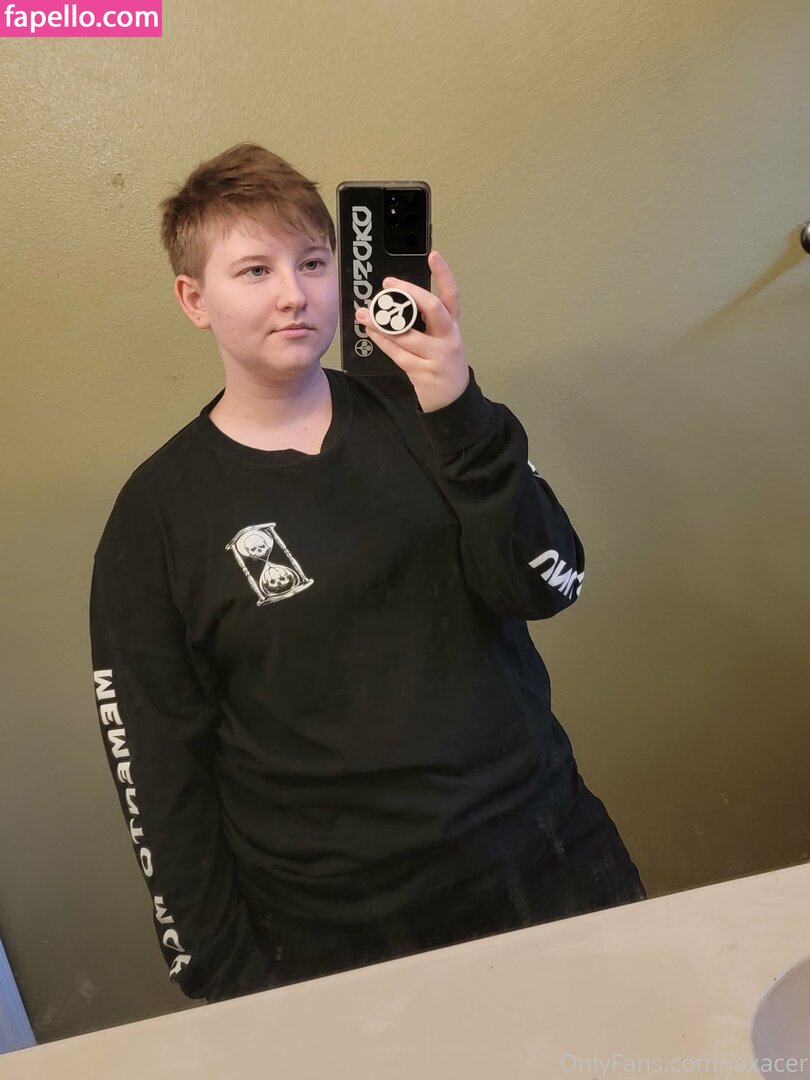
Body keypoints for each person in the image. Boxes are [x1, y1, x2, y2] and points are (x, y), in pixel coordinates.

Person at [89, 142, 645, 1005]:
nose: (293, 293)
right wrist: (223, 975)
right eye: (255, 269)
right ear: (194, 299)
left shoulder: (433, 416)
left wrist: (458, 406)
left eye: (313, 263)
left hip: (547, 853)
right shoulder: (156, 516)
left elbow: (551, 583)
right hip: (338, 930)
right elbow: (158, 772)